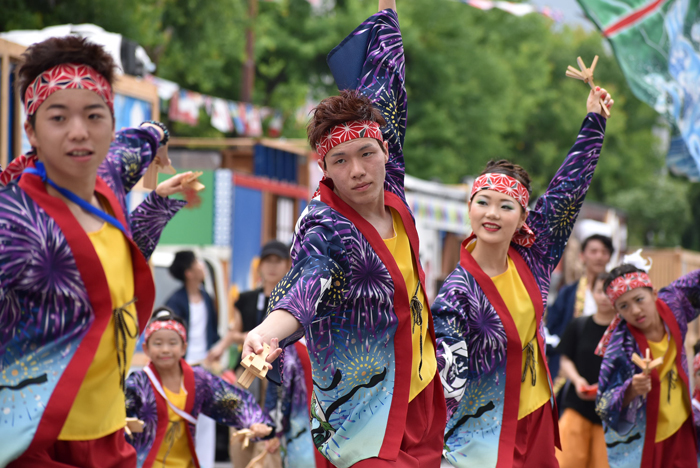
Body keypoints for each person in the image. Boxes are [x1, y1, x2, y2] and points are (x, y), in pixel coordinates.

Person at [242, 1, 448, 466]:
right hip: (366, 414)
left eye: (366, 154)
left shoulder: (389, 180)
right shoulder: (326, 226)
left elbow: (387, 86)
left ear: (385, 149)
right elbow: (306, 283)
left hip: (423, 395)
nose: (357, 171)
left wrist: (387, 16)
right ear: (324, 168)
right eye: (339, 161)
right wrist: (266, 330)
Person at [0, 36, 179, 467]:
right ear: (31, 130)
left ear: (111, 123)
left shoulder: (111, 174)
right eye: (58, 117)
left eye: (93, 115)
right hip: (33, 443)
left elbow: (146, 137)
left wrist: (160, 137)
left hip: (110, 440)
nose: (79, 131)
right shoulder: (13, 222)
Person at [433, 88, 613, 468]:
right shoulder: (456, 293)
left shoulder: (534, 255)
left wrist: (594, 122)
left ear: (522, 216)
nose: (491, 213)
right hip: (479, 432)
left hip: (533, 416)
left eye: (505, 205)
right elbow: (445, 378)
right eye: (482, 202)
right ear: (469, 207)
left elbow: (567, 194)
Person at [125, 308, 273, 468]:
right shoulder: (138, 383)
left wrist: (254, 420)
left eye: (172, 343)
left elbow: (231, 400)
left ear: (184, 347)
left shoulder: (198, 380)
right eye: (158, 343)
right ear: (146, 348)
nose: (165, 349)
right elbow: (116, 414)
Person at [596, 252, 700, 468]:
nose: (635, 310)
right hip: (647, 442)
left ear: (653, 293)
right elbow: (603, 405)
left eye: (639, 299)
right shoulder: (620, 346)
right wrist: (630, 388)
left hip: (682, 428)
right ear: (617, 311)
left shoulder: (673, 302)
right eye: (624, 306)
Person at [164, 251, 220, 468]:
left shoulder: (207, 297)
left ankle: (205, 464)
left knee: (207, 419)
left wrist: (216, 353)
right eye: (197, 262)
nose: (201, 265)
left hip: (204, 366)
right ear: (189, 272)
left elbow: (212, 333)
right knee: (182, 419)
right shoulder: (175, 301)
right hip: (182, 368)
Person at [555, 273, 615, 468]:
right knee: (566, 462)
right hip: (577, 405)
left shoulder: (623, 331)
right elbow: (565, 358)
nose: (604, 296)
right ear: (592, 292)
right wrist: (577, 379)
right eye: (600, 291)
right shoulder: (579, 325)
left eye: (609, 291)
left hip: (609, 414)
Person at [207, 240, 292, 366]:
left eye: (278, 261)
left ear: (287, 265)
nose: (272, 266)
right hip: (249, 364)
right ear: (260, 265)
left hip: (284, 365)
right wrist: (247, 337)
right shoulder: (245, 299)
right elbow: (233, 332)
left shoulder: (293, 301)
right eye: (268, 261)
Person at [546, 234, 614, 380]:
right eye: (594, 251)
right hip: (568, 365)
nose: (599, 257)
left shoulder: (617, 293)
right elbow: (552, 328)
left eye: (604, 252)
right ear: (582, 256)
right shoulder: (568, 293)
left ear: (610, 257)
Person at [264, 339, 335, 468]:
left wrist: (274, 429)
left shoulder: (291, 344)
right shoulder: (337, 336)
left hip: (313, 422)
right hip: (319, 421)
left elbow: (280, 389)